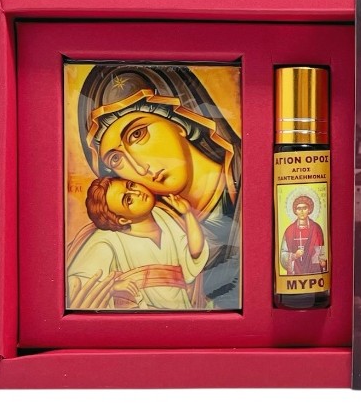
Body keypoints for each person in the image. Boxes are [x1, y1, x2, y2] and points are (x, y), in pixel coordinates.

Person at [76, 64, 242, 308]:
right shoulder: (144, 225)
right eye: (116, 159)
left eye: (137, 134)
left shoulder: (254, 181)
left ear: (180, 120)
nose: (140, 167)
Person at [66, 177, 210, 310]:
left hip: (180, 310)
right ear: (123, 220)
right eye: (128, 200)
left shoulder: (163, 216)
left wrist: (188, 214)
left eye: (131, 185)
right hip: (141, 315)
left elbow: (194, 254)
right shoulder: (107, 240)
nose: (137, 193)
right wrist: (112, 287)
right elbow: (76, 283)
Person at [280, 195, 326, 277]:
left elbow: (321, 252)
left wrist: (322, 261)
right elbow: (283, 254)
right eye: (299, 208)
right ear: (295, 211)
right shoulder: (289, 231)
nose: (301, 211)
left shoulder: (316, 228)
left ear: (309, 210)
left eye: (304, 208)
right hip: (295, 273)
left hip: (313, 272)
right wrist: (294, 256)